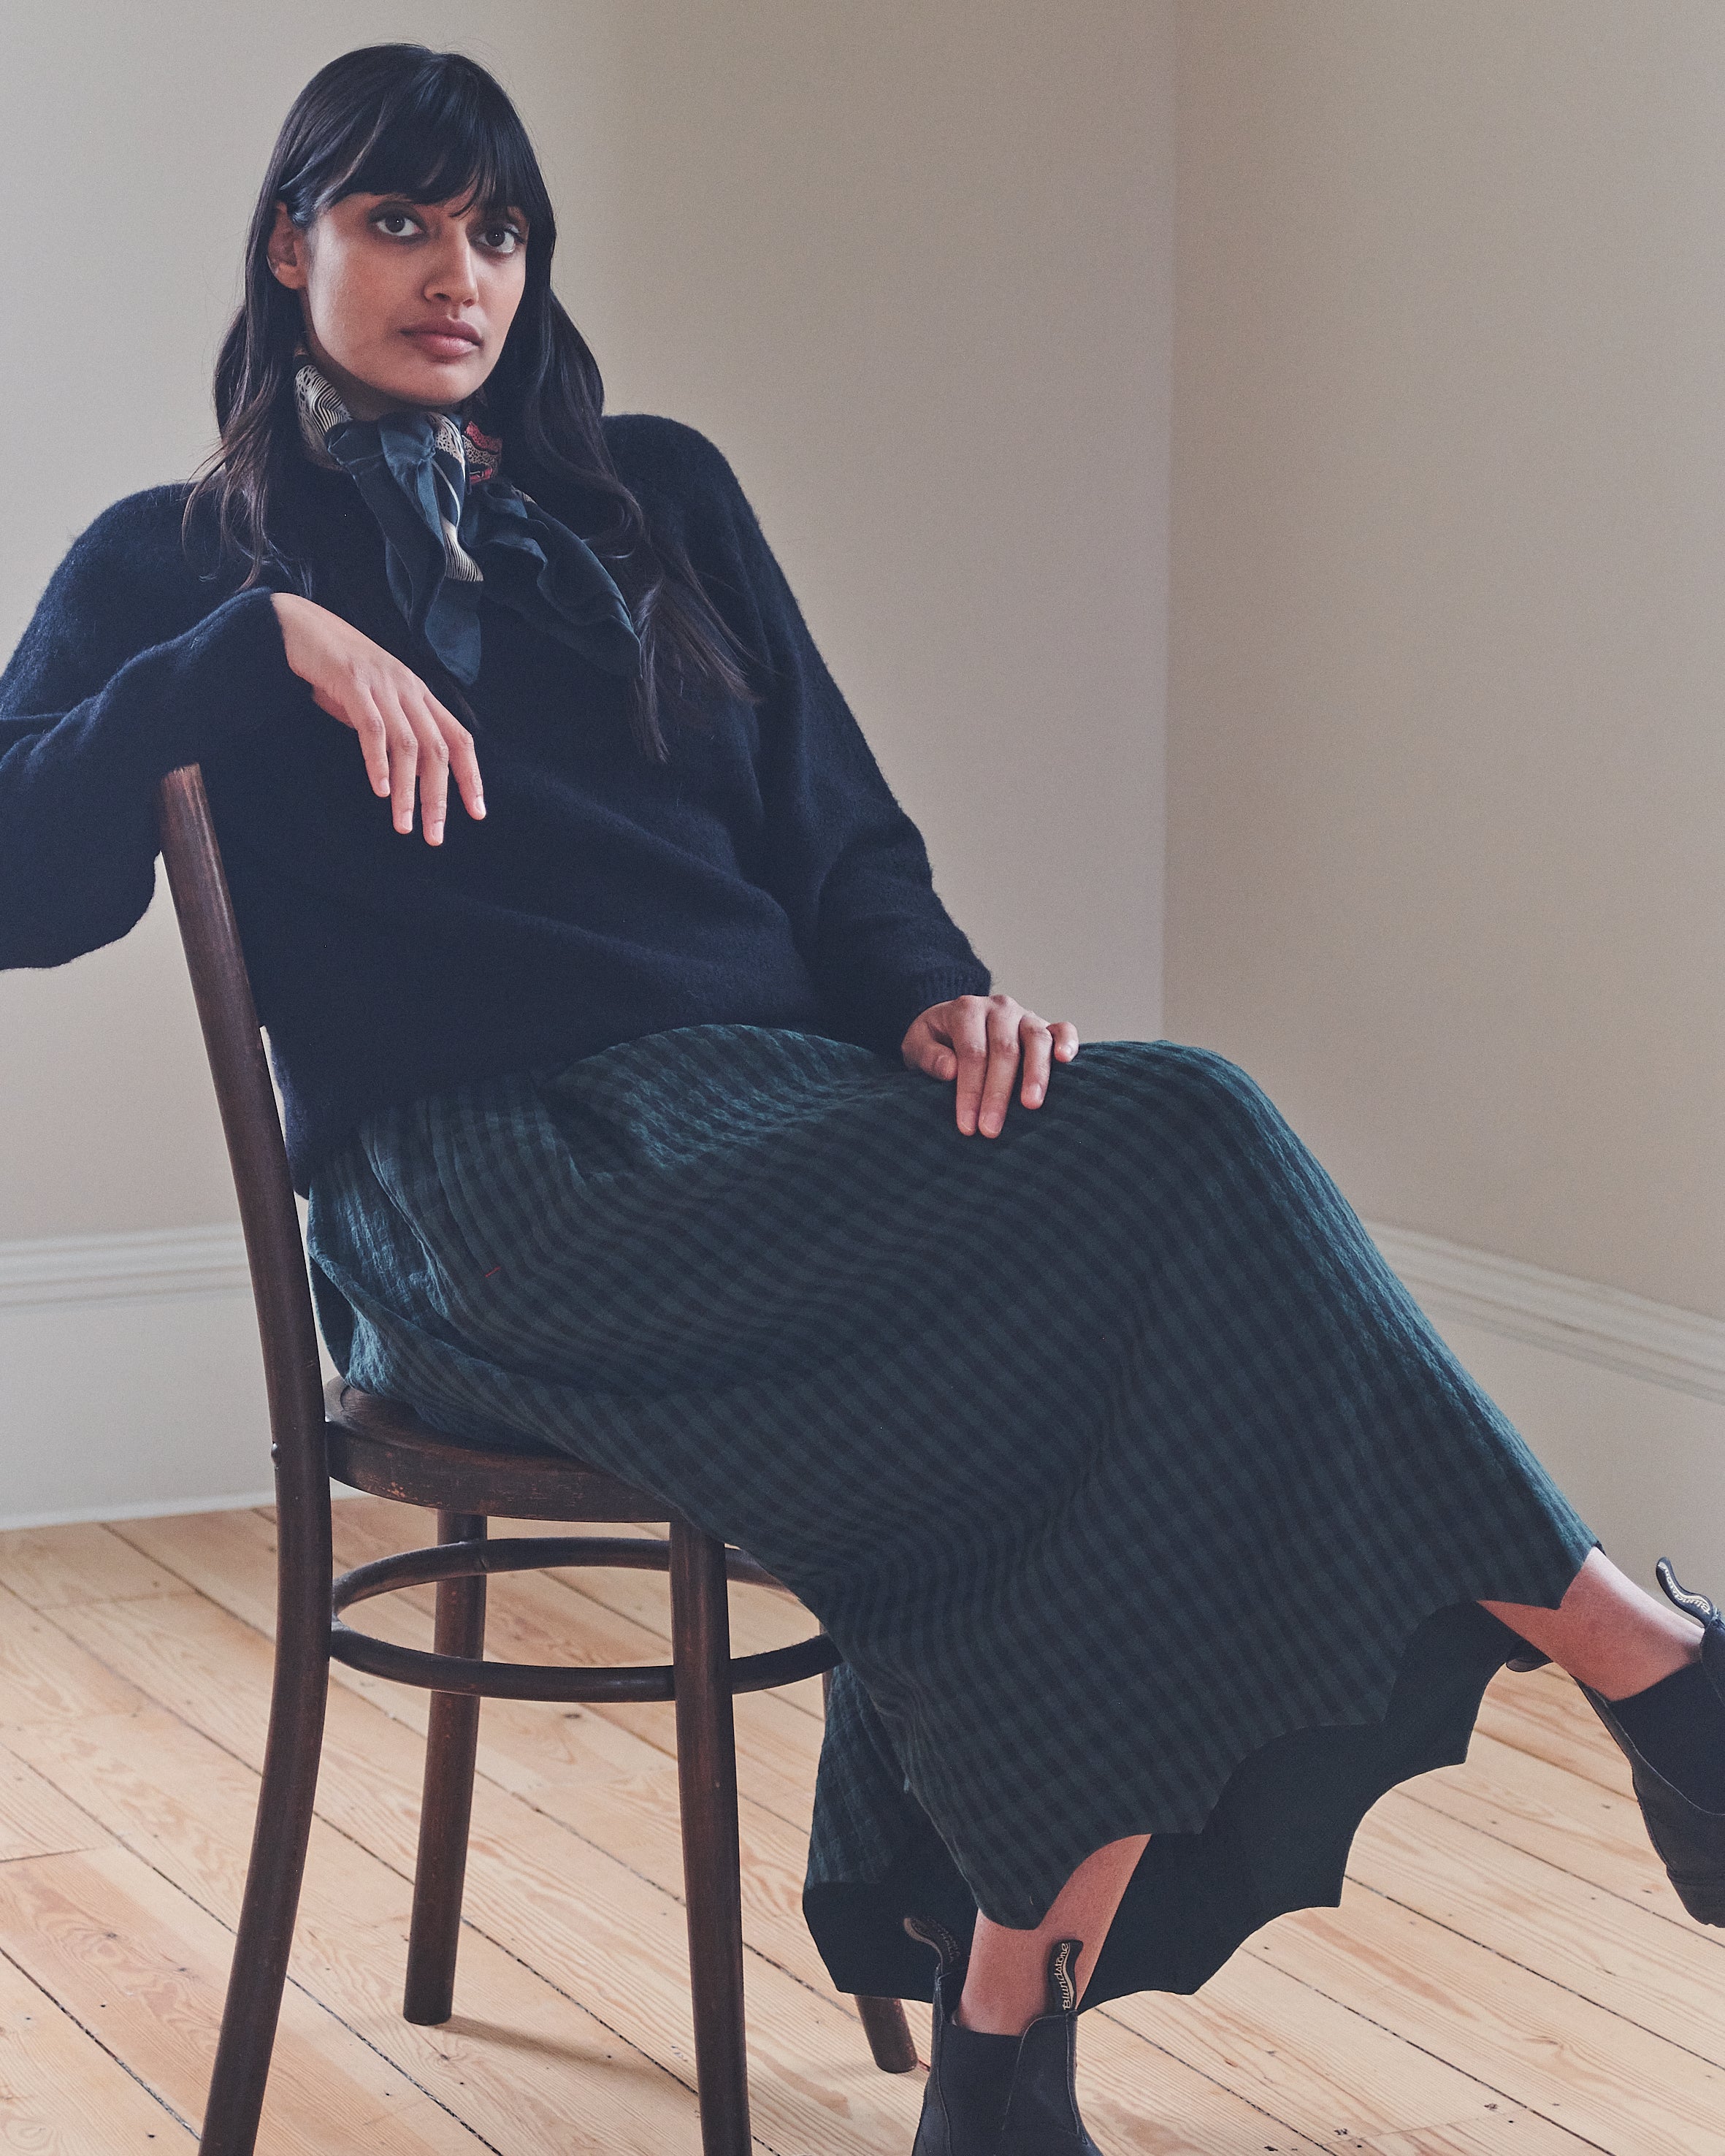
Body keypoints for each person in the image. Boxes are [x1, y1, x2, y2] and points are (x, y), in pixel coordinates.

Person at [4, 42, 1724, 2156]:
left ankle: (1012, 2038)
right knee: (1175, 1190)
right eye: (398, 221)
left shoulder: (659, 496)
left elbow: (838, 843)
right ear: (290, 247)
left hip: (772, 1117)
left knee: (1158, 1178)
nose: (459, 273)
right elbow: (16, 877)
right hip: (491, 1193)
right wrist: (257, 647)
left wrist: (933, 1005)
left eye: (499, 231)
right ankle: (1650, 1671)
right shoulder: (175, 561)